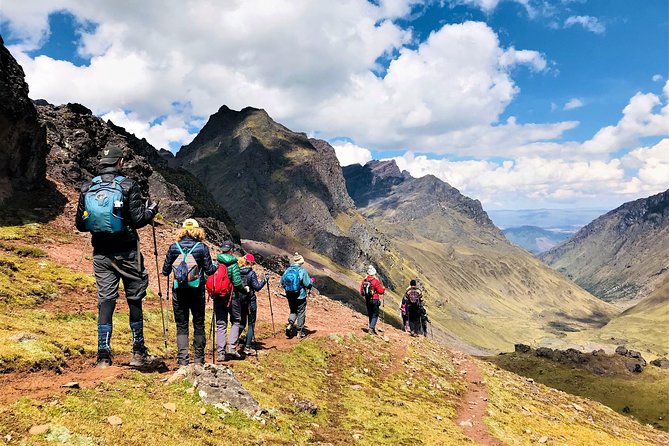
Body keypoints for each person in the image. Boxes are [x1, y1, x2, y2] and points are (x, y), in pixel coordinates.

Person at [75, 145, 158, 368]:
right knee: (134, 299)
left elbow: (80, 225)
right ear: (120, 162)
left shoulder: (87, 187)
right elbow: (139, 220)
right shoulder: (128, 185)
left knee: (106, 300)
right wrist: (152, 210)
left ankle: (103, 356)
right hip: (128, 253)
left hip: (101, 253)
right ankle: (138, 352)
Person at [161, 219, 216, 366]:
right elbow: (210, 270)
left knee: (181, 324)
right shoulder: (202, 248)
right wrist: (215, 266)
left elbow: (165, 271)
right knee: (198, 323)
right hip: (197, 291)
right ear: (198, 231)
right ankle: (199, 360)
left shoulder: (174, 247)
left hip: (179, 291)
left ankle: (183, 361)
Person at [215, 240, 243, 359]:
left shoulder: (216, 262)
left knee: (221, 323)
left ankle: (221, 353)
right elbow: (237, 283)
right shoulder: (233, 263)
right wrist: (244, 289)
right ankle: (231, 347)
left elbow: (208, 277)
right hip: (232, 297)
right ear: (231, 250)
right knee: (236, 320)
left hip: (218, 297)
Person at [238, 253, 268, 354]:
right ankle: (247, 347)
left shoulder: (237, 271)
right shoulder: (251, 273)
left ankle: (232, 343)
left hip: (240, 300)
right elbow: (257, 287)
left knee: (241, 322)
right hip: (250, 300)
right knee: (251, 323)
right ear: (250, 263)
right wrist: (264, 281)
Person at [280, 252, 312, 339]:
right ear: (301, 262)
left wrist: (289, 290)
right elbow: (307, 283)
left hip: (290, 295)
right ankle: (299, 332)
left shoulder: (288, 270)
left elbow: (282, 282)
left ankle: (290, 325)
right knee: (301, 312)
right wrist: (311, 282)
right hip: (300, 295)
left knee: (293, 311)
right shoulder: (302, 271)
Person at [360, 265, 385, 335]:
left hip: (367, 300)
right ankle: (371, 328)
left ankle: (372, 328)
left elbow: (361, 292)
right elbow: (380, 291)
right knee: (375, 314)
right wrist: (383, 289)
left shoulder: (364, 281)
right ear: (374, 273)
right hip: (374, 299)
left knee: (370, 314)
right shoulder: (375, 281)